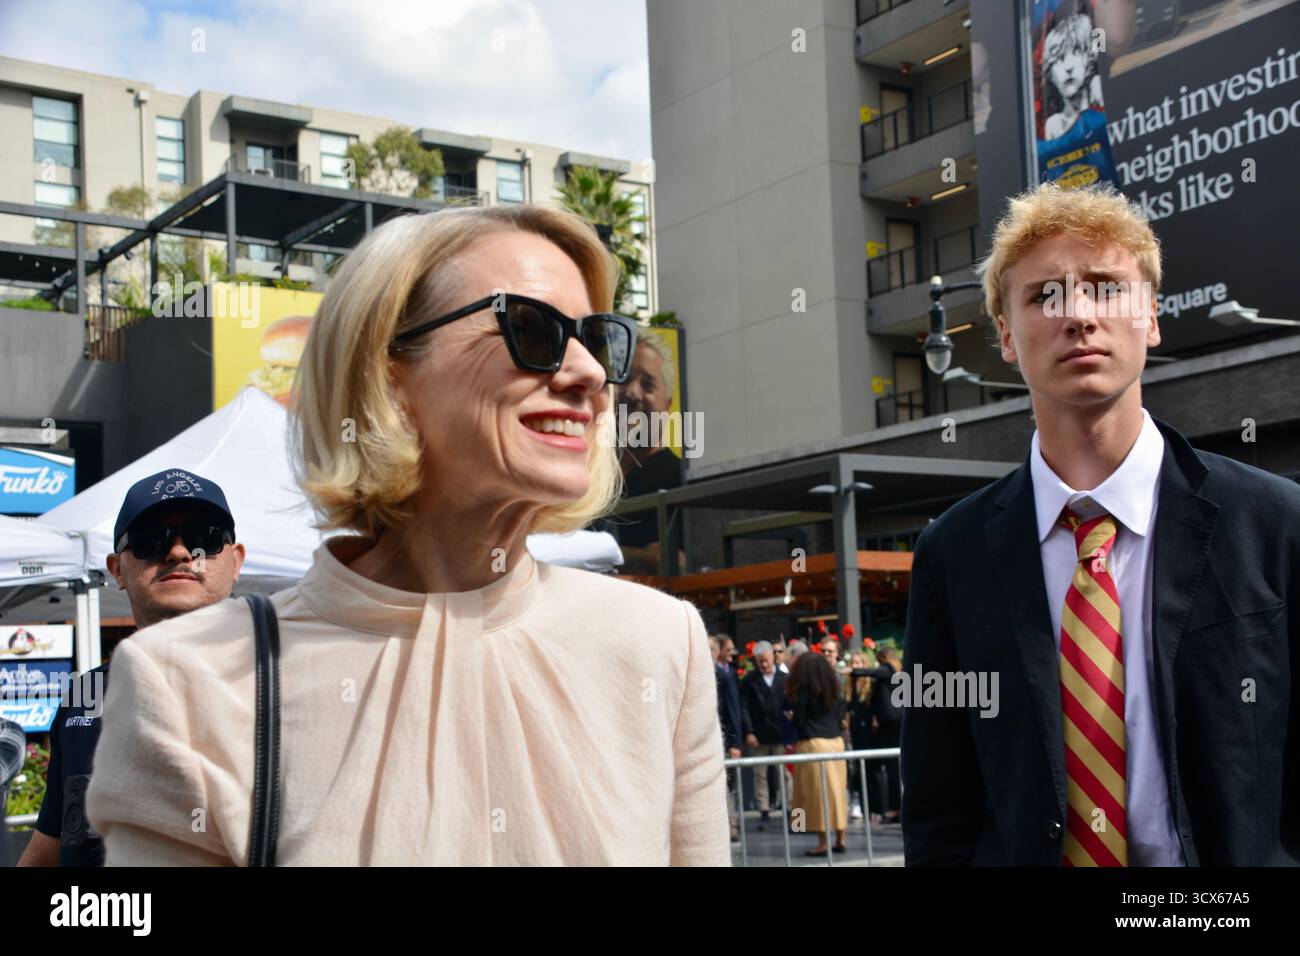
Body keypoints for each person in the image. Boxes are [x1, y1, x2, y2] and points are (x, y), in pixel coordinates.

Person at [85, 204, 730, 866]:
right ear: (388, 375)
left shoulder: (660, 644)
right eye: (532, 329)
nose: (590, 374)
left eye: (596, 340)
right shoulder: (188, 682)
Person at [902, 182, 1300, 866]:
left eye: (1106, 287)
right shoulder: (953, 552)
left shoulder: (1274, 522)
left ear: (1150, 317)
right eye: (1044, 295)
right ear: (1005, 334)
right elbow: (939, 800)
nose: (1078, 315)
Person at [18, 469, 245, 868]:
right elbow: (48, 850)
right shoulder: (85, 698)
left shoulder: (290, 687)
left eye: (204, 538)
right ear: (117, 569)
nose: (179, 553)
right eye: (151, 541)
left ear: (236, 560)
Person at [785, 651, 848, 856]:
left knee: (816, 795)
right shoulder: (834, 688)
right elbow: (840, 715)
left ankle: (822, 842)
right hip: (836, 743)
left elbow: (799, 722)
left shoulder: (803, 691)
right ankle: (840, 837)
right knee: (837, 792)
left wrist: (791, 717)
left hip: (813, 745)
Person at [739, 641, 787, 831]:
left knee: (785, 774)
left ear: (773, 658)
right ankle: (764, 812)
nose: (764, 665)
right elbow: (744, 707)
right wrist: (749, 731)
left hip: (781, 735)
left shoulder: (784, 678)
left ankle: (791, 812)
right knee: (761, 774)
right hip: (759, 734)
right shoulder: (750, 680)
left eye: (766, 661)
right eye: (760, 662)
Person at [710, 633, 744, 845]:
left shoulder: (725, 676)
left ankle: (731, 827)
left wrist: (735, 742)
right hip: (706, 740)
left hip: (722, 740)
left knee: (725, 787)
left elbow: (733, 710)